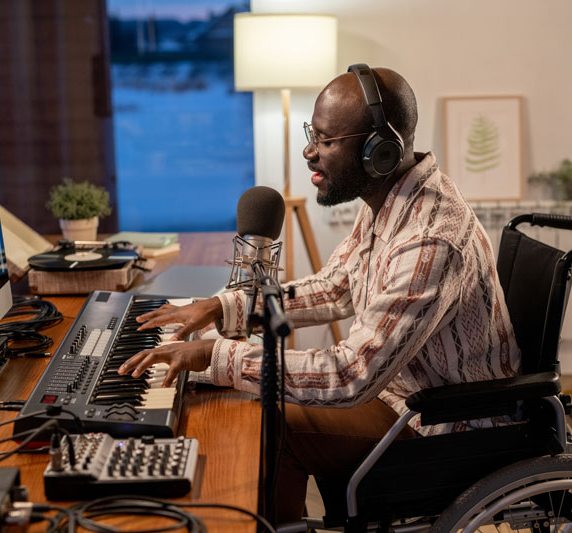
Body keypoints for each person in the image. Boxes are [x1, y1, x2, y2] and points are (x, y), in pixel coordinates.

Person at [118, 66, 521, 523]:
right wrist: (223, 308)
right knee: (245, 394)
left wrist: (218, 356)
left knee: (269, 418)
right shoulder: (391, 201)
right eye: (314, 133)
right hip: (399, 397)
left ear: (379, 152)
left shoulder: (429, 237)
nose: (309, 151)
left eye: (327, 140)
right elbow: (335, 288)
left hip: (444, 427)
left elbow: (351, 374)